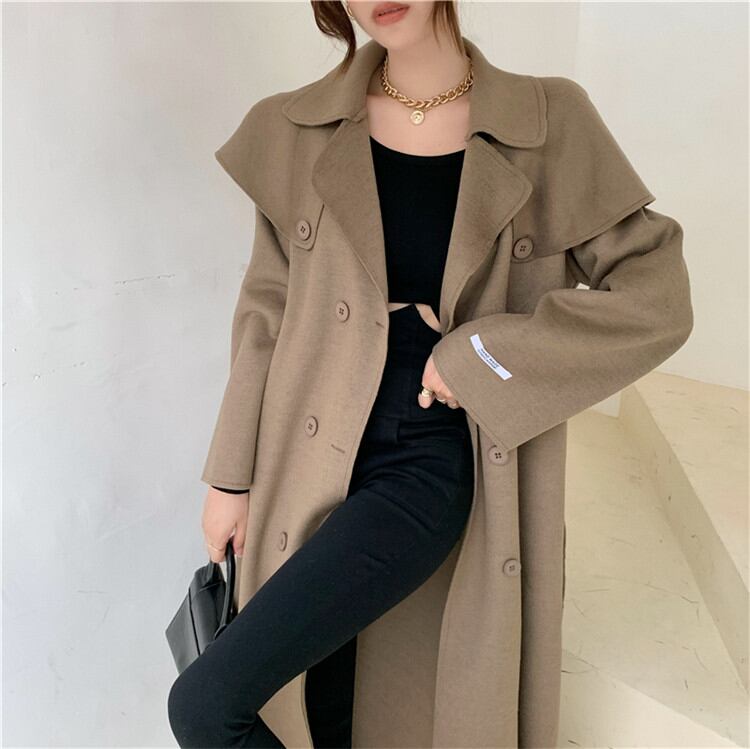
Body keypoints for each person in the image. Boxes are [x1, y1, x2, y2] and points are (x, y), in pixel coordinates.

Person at [169, 3, 478, 747]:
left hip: (423, 452)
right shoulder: (299, 128)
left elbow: (648, 295)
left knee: (206, 706)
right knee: (328, 708)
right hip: (307, 441)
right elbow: (266, 309)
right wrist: (229, 476)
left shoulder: (542, 121)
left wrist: (486, 356)